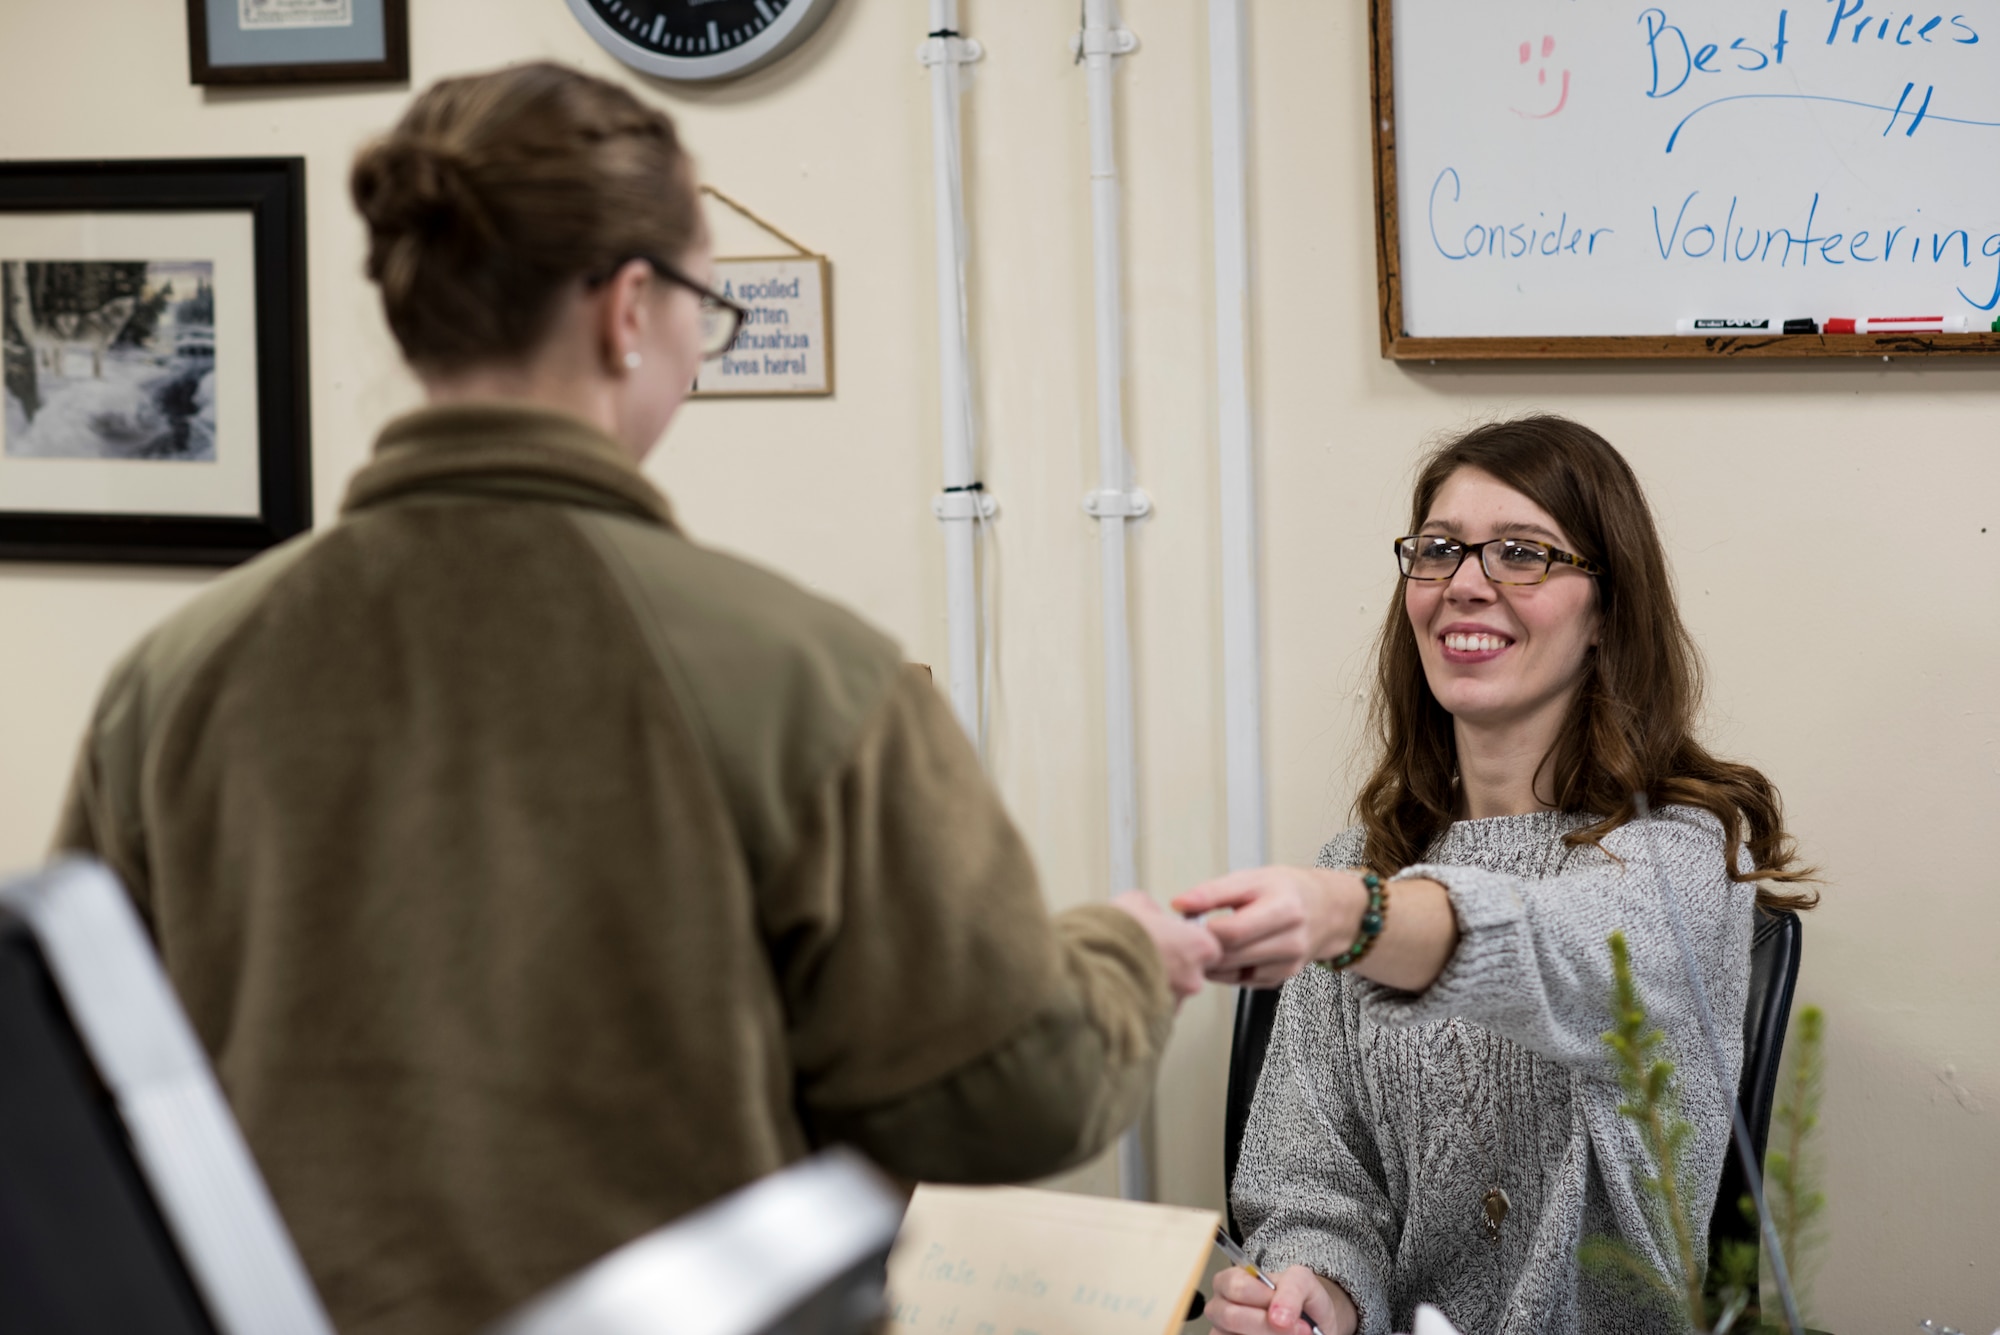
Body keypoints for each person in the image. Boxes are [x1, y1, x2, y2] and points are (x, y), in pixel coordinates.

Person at [51, 62, 1221, 1335]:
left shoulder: (177, 677)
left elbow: (76, 1100)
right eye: (702, 307)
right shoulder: (806, 674)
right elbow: (1008, 1097)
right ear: (627, 310)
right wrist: (1120, 955)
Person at [1176, 416, 1815, 1335]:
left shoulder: (1684, 856)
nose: (1466, 585)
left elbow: (1563, 949)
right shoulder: (1357, 866)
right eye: (1438, 550)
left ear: (1606, 610)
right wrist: (1320, 1288)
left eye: (1523, 553)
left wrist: (1354, 917)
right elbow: (1312, 1176)